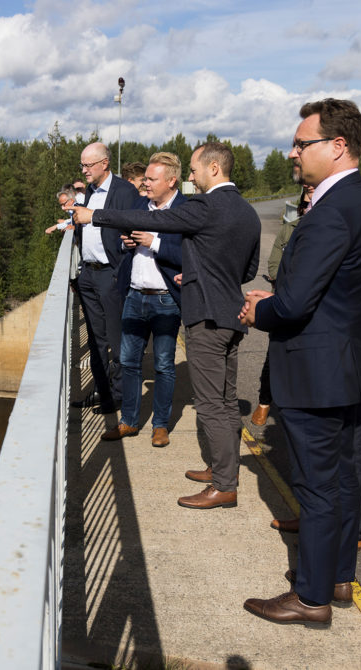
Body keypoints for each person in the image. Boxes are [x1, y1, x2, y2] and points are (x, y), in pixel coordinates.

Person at [241, 98, 361, 627]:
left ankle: (310, 598)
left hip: (315, 371)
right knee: (346, 479)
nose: (292, 152)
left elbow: (297, 302)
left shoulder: (332, 211)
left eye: (302, 143)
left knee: (318, 487)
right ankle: (338, 578)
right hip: (351, 364)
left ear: (338, 145)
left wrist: (262, 310)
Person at [70, 142, 260, 507]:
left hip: (207, 316)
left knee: (210, 405)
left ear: (214, 169)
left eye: (193, 169)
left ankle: (223, 485)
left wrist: (92, 217)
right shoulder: (246, 211)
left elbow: (153, 220)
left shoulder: (205, 206)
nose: (191, 176)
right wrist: (199, 272)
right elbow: (247, 270)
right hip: (233, 313)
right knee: (224, 398)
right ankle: (225, 468)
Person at [110, 152, 185, 446]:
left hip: (166, 299)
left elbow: (186, 255)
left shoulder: (185, 210)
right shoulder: (140, 204)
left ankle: (160, 425)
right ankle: (128, 421)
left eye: (152, 180)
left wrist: (152, 242)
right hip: (134, 296)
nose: (145, 184)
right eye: (145, 179)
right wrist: (126, 242)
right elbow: (126, 240)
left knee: (164, 364)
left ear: (171, 180)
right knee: (129, 361)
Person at [69, 142, 141, 436]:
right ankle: (103, 393)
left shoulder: (125, 192)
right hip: (88, 274)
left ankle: (119, 395)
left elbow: (134, 226)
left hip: (111, 274)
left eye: (88, 165)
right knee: (97, 340)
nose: (84, 170)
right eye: (82, 165)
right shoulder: (88, 192)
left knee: (116, 339)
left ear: (104, 164)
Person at [250, 179, 314, 427]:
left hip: (310, 305)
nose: (308, 206)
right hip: (284, 299)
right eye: (305, 202)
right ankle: (264, 403)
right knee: (274, 354)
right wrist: (288, 280)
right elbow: (274, 264)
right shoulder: (290, 229)